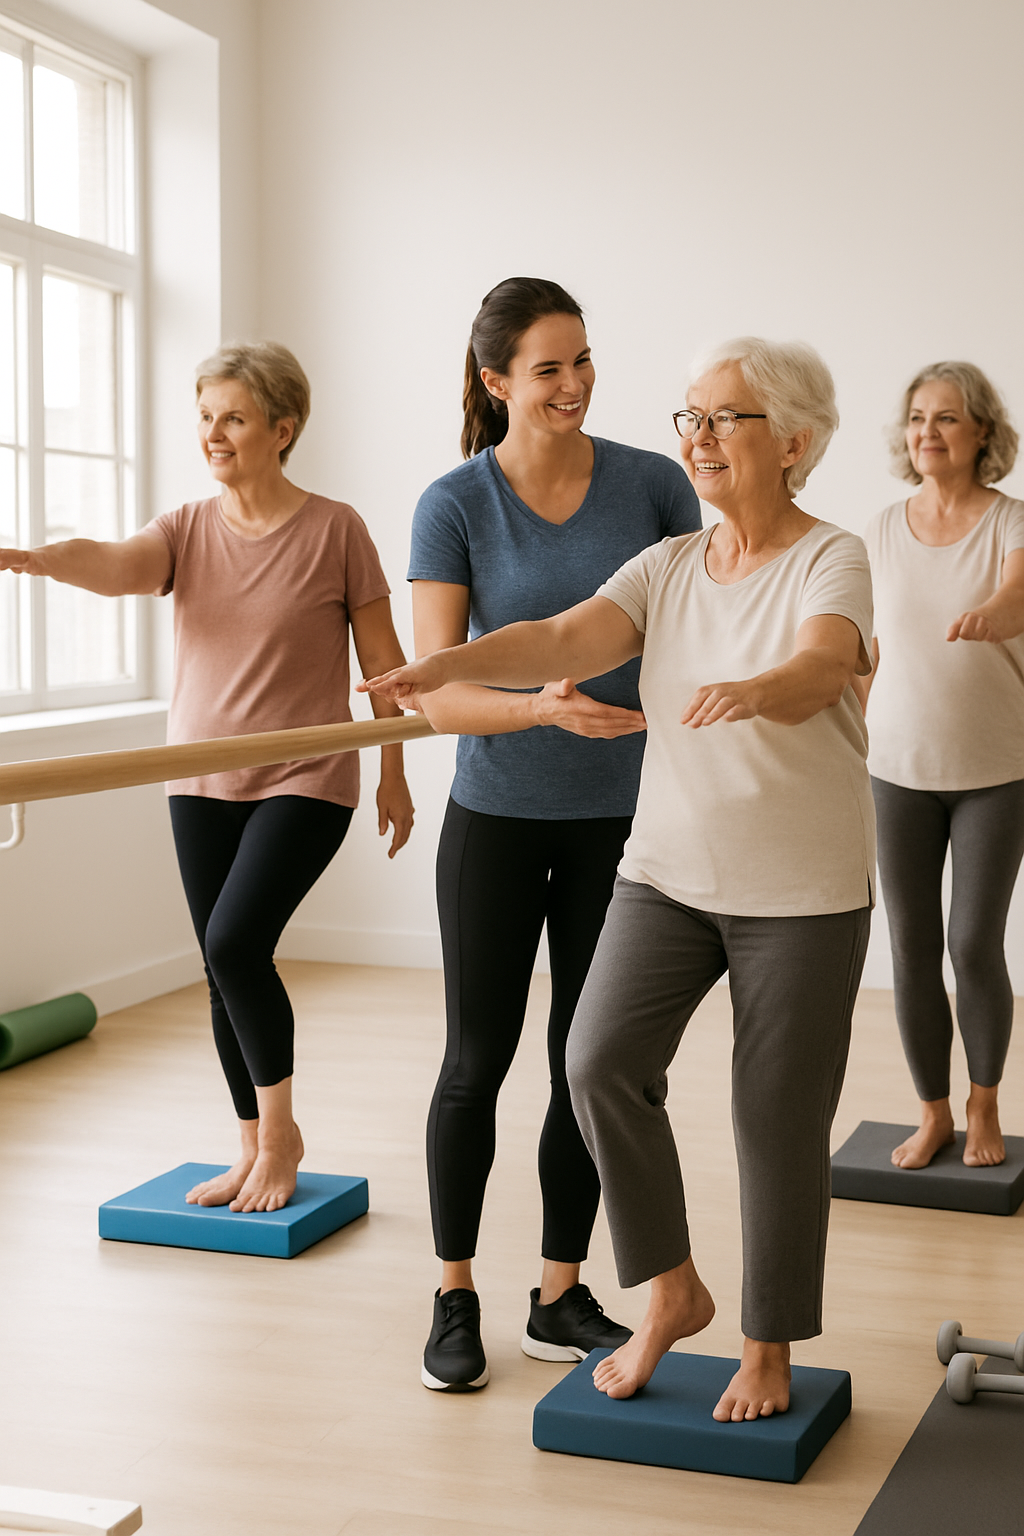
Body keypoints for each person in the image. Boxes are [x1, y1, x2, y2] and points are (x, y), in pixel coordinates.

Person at [365, 336, 874, 1422]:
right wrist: (446, 664)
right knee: (597, 1064)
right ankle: (670, 1290)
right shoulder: (671, 564)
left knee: (773, 1119)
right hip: (667, 875)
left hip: (801, 890)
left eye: (721, 420)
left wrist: (764, 685)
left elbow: (827, 660)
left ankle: (767, 1342)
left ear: (790, 442)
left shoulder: (831, 556)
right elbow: (561, 634)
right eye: (687, 417)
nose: (694, 439)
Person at [0, 341, 414, 1213]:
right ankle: (250, 1146)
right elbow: (116, 566)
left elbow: (384, 665)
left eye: (231, 417)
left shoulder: (336, 529)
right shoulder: (186, 529)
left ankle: (284, 1136)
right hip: (196, 777)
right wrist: (40, 560)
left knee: (234, 945)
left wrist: (393, 771)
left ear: (282, 427)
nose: (212, 434)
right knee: (226, 963)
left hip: (306, 775)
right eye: (203, 417)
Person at [392, 276, 701, 1392]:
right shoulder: (454, 503)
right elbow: (437, 691)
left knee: (589, 1061)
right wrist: (542, 706)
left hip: (625, 824)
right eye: (546, 368)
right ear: (495, 381)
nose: (571, 385)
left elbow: (694, 627)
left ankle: (560, 1292)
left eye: (581, 361)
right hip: (499, 818)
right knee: (476, 1061)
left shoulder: (654, 484)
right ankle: (454, 1292)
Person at [857, 362, 1024, 1171]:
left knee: (973, 942)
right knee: (911, 946)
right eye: (918, 418)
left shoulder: (1010, 523)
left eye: (948, 419)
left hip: (996, 769)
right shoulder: (883, 529)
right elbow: (866, 652)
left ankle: (983, 1101)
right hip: (895, 767)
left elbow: (1019, 596)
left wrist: (994, 612)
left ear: (981, 432)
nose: (928, 431)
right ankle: (931, 1113)